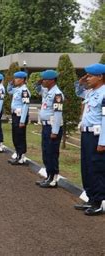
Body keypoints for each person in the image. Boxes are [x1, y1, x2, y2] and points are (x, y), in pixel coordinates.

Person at [74, 63, 105, 216]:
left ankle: (98, 202)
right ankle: (90, 197)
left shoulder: (104, 94)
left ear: (100, 77)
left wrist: (103, 142)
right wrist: (80, 82)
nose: (88, 79)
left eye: (91, 76)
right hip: (86, 134)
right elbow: (78, 92)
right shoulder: (91, 92)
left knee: (97, 168)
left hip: (97, 136)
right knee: (86, 167)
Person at [33, 70, 64, 188]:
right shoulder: (47, 91)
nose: (43, 81)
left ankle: (53, 178)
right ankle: (48, 176)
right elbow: (37, 89)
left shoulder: (57, 94)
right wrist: (39, 82)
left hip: (52, 128)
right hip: (46, 126)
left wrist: (54, 131)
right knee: (46, 152)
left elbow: (57, 114)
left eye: (45, 79)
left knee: (52, 153)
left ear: (52, 80)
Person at [7, 71, 30, 165]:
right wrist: (10, 84)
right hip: (15, 115)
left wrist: (22, 120)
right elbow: (9, 91)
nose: (15, 80)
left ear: (22, 80)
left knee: (20, 137)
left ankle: (21, 157)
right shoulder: (17, 89)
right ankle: (18, 154)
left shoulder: (24, 91)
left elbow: (25, 106)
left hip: (20, 117)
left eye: (17, 78)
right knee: (15, 136)